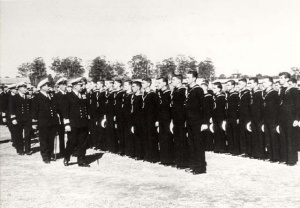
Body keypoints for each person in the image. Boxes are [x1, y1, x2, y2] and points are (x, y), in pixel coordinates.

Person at [62, 77, 90, 167]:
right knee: (72, 142)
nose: (82, 87)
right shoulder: (68, 96)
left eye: (82, 85)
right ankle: (66, 157)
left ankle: (81, 160)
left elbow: (86, 109)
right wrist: (66, 124)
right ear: (74, 86)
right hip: (73, 124)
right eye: (80, 85)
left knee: (82, 142)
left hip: (83, 123)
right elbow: (65, 111)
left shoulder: (83, 95)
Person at [31, 79, 59, 164]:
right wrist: (34, 123)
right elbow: (34, 111)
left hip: (52, 122)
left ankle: (50, 154)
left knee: (51, 139)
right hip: (43, 123)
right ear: (42, 87)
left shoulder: (50, 96)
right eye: (46, 86)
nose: (48, 87)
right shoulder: (37, 97)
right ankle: (45, 157)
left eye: (48, 85)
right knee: (44, 140)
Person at [185, 71, 206, 174]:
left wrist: (205, 122)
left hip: (197, 121)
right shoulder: (190, 90)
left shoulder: (198, 90)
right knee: (191, 144)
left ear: (194, 78)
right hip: (190, 121)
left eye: (188, 77)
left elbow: (204, 107)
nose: (186, 79)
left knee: (198, 144)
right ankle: (193, 166)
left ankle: (200, 168)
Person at [278, 73, 299, 165]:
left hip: (290, 118)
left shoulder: (294, 90)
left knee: (291, 138)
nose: (280, 80)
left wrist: (297, 119)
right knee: (283, 137)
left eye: (282, 78)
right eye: (279, 78)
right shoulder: (282, 90)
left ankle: (292, 160)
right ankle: (284, 158)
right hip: (282, 117)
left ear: (287, 79)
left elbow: (298, 106)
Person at [171, 74, 189, 169]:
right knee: (177, 139)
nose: (171, 81)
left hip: (182, 119)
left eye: (173, 79)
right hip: (176, 119)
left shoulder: (183, 90)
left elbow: (185, 106)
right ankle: (178, 160)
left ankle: (184, 162)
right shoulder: (175, 90)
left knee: (182, 140)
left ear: (179, 80)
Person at [9, 82, 32, 155]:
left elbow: (31, 108)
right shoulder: (14, 98)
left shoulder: (28, 97)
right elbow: (11, 109)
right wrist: (13, 119)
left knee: (28, 134)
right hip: (18, 119)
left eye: (26, 87)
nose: (25, 89)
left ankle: (28, 150)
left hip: (27, 119)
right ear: (19, 88)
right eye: (24, 87)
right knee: (19, 135)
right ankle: (20, 150)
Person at [156, 77, 174, 165]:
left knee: (167, 139)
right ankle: (163, 159)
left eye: (159, 83)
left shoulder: (168, 94)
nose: (157, 84)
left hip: (167, 120)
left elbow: (170, 108)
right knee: (162, 139)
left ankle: (169, 159)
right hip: (161, 120)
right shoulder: (160, 93)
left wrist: (171, 121)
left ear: (165, 83)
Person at [261, 77, 280, 162]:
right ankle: (270, 155)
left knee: (273, 138)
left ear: (270, 83)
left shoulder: (274, 93)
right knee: (268, 137)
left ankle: (275, 157)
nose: (263, 84)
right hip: (266, 118)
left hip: (272, 119)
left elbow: (275, 108)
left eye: (265, 82)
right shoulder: (265, 93)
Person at [141, 77, 160, 163]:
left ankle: (154, 157)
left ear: (148, 84)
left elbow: (156, 108)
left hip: (151, 119)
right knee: (145, 137)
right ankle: (147, 155)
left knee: (152, 138)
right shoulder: (144, 93)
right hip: (145, 119)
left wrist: (156, 120)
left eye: (143, 83)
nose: (142, 85)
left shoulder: (153, 94)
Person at [248, 77, 264, 159]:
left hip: (259, 118)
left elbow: (261, 107)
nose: (249, 85)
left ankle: (261, 154)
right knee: (254, 135)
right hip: (253, 118)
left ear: (256, 83)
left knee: (259, 136)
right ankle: (255, 153)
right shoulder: (252, 93)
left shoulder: (259, 93)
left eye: (250, 83)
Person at [53, 77, 68, 157]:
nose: (65, 86)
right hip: (61, 118)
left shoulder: (68, 95)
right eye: (63, 85)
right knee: (61, 135)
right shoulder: (56, 95)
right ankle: (62, 151)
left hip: (68, 117)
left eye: (65, 84)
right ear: (60, 86)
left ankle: (69, 150)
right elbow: (56, 107)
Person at [225, 80, 240, 155]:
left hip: (234, 116)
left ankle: (236, 150)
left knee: (235, 134)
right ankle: (231, 150)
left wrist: (237, 117)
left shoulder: (235, 95)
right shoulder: (228, 95)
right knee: (229, 133)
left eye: (228, 85)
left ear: (233, 86)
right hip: (229, 117)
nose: (227, 86)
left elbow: (237, 108)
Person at [238, 78, 251, 157]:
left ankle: (248, 151)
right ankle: (243, 150)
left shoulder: (247, 93)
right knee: (242, 133)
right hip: (241, 116)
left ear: (245, 84)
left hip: (247, 116)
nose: (238, 85)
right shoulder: (241, 92)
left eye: (240, 84)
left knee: (247, 134)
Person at [212, 82, 227, 154]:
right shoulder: (216, 96)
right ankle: (217, 147)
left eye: (214, 88)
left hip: (220, 117)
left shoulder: (221, 97)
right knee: (216, 132)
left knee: (220, 132)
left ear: (219, 89)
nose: (213, 89)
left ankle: (222, 148)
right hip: (215, 117)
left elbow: (221, 109)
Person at [131, 81, 144, 160]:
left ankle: (140, 154)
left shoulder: (141, 97)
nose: (133, 88)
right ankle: (136, 153)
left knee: (139, 137)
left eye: (134, 86)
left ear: (138, 87)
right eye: (132, 86)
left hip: (139, 119)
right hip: (134, 118)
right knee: (135, 136)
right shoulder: (134, 96)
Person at [200, 82, 214, 151]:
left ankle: (209, 146)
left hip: (208, 115)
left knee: (208, 130)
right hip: (202, 115)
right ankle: (204, 145)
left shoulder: (209, 96)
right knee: (203, 130)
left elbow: (211, 107)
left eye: (203, 87)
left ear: (206, 87)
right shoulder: (201, 96)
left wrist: (211, 116)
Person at [114, 79, 126, 156]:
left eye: (115, 83)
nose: (114, 85)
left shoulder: (122, 93)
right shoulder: (116, 93)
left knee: (122, 133)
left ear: (119, 84)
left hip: (121, 116)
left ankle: (123, 150)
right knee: (118, 132)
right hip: (117, 115)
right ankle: (119, 148)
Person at [122, 80, 134, 157]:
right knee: (125, 134)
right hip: (124, 117)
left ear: (130, 86)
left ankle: (131, 152)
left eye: (126, 85)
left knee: (130, 134)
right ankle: (126, 151)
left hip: (130, 117)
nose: (124, 87)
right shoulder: (125, 95)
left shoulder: (132, 95)